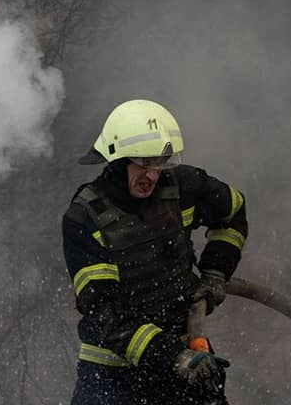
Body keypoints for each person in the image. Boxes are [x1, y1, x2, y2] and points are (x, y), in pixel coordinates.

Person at [63, 99, 249, 404]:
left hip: (189, 359)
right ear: (118, 160)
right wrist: (174, 357)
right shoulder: (85, 219)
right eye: (143, 163)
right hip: (111, 377)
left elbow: (234, 211)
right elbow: (106, 312)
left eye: (159, 163)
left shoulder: (183, 186)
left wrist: (215, 272)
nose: (152, 174)